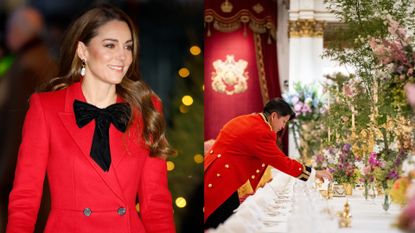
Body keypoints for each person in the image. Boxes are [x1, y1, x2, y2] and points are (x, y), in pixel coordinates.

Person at [6, 5, 175, 233]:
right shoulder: (46, 108)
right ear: (83, 51)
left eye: (128, 47)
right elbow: (25, 199)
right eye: (110, 45)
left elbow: (156, 205)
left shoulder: (146, 109)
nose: (122, 56)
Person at [204, 98, 333, 229]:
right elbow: (282, 161)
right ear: (274, 116)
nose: (283, 126)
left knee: (225, 218)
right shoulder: (260, 131)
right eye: (283, 121)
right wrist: (315, 173)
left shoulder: (251, 120)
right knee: (219, 223)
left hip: (216, 172)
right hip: (221, 180)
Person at [0, 7, 57, 232]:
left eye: (9, 30)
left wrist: (3, 174)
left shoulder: (26, 67)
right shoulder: (43, 60)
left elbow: (18, 129)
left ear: (17, 31)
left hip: (26, 175)